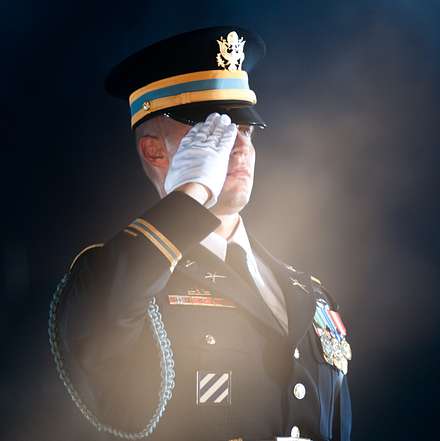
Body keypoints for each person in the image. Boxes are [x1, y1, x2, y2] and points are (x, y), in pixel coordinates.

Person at [50, 26, 352, 441]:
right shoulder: (116, 280)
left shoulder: (309, 293)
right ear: (155, 150)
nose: (239, 145)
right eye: (215, 130)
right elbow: (104, 314)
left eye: (244, 129)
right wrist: (192, 195)